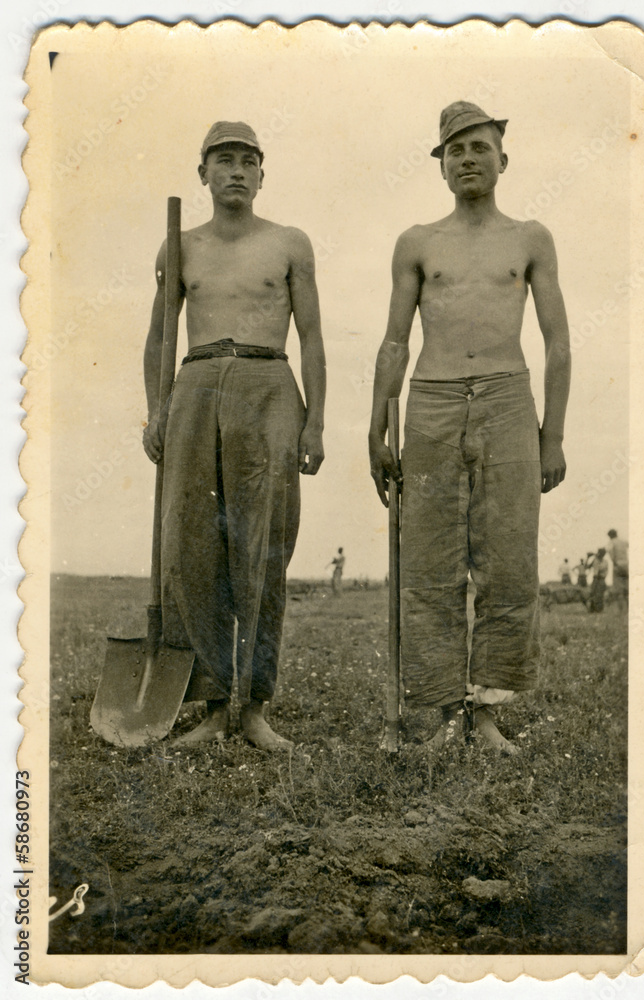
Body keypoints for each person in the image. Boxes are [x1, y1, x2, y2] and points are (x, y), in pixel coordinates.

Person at [369, 101, 571, 754]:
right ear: (440, 166)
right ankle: (435, 715)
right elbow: (394, 341)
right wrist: (377, 424)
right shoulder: (417, 242)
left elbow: (558, 342)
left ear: (502, 159)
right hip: (428, 402)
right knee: (429, 562)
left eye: (478, 147)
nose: (466, 159)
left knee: (507, 559)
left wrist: (553, 435)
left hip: (510, 401)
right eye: (453, 150)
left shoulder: (530, 237)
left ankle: (486, 715)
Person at [142, 121, 326, 749]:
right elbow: (159, 338)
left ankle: (255, 707)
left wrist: (316, 421)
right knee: (192, 545)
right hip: (195, 386)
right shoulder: (179, 247)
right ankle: (215, 702)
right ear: (203, 174)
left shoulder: (289, 243)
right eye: (224, 160)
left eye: (248, 160)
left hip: (268, 382)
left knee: (263, 544)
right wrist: (156, 409)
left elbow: (312, 338)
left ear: (261, 173)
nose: (237, 171)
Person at [607, 528, 629, 610]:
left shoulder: (612, 542)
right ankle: (628, 607)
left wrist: (614, 561)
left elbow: (609, 552)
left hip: (617, 565)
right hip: (626, 565)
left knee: (618, 588)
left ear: (610, 536)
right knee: (627, 586)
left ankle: (621, 609)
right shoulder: (623, 541)